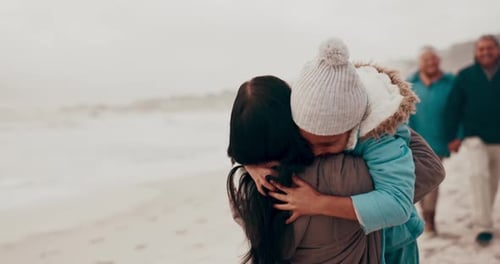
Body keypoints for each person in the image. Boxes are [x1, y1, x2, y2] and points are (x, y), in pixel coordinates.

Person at [244, 38, 437, 263]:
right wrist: (251, 165)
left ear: (353, 126)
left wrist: (317, 202)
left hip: (394, 241)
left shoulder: (379, 137)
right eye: (307, 142)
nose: (315, 153)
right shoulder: (303, 114)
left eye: (328, 144)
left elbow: (397, 204)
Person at [445, 34, 500, 245]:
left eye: (490, 48)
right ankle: (483, 226)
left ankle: (484, 217)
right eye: (481, 49)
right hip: (475, 138)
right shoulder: (465, 75)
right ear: (476, 53)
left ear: (498, 50)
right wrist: (452, 137)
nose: (486, 52)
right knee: (479, 177)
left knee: (492, 182)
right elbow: (453, 108)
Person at [408, 46, 455, 236]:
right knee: (417, 178)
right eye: (426, 59)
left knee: (432, 179)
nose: (430, 63)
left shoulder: (450, 82)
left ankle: (430, 220)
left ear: (439, 60)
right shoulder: (410, 83)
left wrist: (456, 136)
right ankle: (426, 216)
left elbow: (458, 110)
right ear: (420, 63)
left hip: (439, 139)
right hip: (414, 139)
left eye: (433, 59)